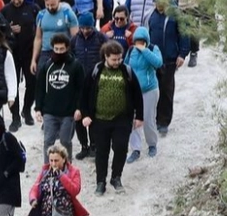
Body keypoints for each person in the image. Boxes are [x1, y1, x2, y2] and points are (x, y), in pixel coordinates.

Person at [80, 40, 144, 195]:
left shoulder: (126, 71)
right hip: (99, 120)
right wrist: (86, 114)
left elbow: (137, 94)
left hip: (121, 119)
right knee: (102, 151)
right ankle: (100, 182)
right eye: (114, 59)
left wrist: (139, 116)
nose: (117, 62)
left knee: (121, 148)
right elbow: (84, 94)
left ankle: (116, 177)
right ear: (106, 57)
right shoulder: (96, 71)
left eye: (119, 58)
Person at [34, 32, 87, 158]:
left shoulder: (76, 65)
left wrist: (79, 108)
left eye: (61, 49)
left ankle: (67, 169)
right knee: (48, 141)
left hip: (68, 112)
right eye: (56, 49)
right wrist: (38, 108)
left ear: (67, 48)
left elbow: (81, 89)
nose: (58, 52)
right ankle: (48, 170)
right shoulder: (47, 65)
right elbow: (40, 88)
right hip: (49, 111)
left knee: (65, 141)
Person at [0, 0, 38, 131]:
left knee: (32, 83)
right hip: (11, 53)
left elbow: (39, 29)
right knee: (12, 85)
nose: (16, 1)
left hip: (29, 51)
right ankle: (15, 117)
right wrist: (8, 30)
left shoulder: (33, 8)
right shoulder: (5, 11)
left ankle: (27, 110)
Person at [148, 0, 187, 138]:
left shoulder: (175, 15)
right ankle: (153, 118)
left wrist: (182, 54)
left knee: (166, 90)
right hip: (153, 59)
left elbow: (184, 34)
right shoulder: (150, 15)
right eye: (157, 1)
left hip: (170, 59)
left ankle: (163, 121)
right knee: (153, 90)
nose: (159, 4)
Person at [125, 27, 164, 163]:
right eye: (137, 41)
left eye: (142, 41)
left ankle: (152, 145)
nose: (139, 43)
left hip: (150, 90)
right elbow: (125, 67)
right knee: (133, 120)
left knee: (148, 119)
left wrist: (144, 50)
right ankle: (135, 149)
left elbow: (158, 63)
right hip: (134, 92)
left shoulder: (153, 49)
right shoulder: (131, 51)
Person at [70, 12, 105, 158]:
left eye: (88, 28)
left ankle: (94, 145)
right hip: (78, 84)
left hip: (95, 82)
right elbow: (70, 57)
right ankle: (83, 145)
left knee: (93, 116)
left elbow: (106, 56)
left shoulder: (100, 38)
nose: (85, 31)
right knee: (79, 116)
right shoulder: (74, 40)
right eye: (83, 28)